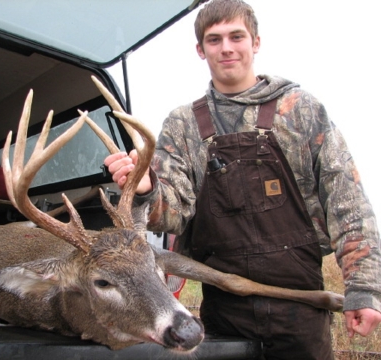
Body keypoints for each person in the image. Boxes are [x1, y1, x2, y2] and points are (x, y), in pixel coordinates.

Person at [104, 0, 381, 358]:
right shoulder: (183, 124)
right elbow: (172, 214)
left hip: (301, 310)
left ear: (256, 42)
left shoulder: (301, 109)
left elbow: (347, 203)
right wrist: (145, 188)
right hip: (224, 314)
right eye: (214, 39)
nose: (227, 48)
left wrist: (364, 289)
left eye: (237, 36)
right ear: (200, 50)